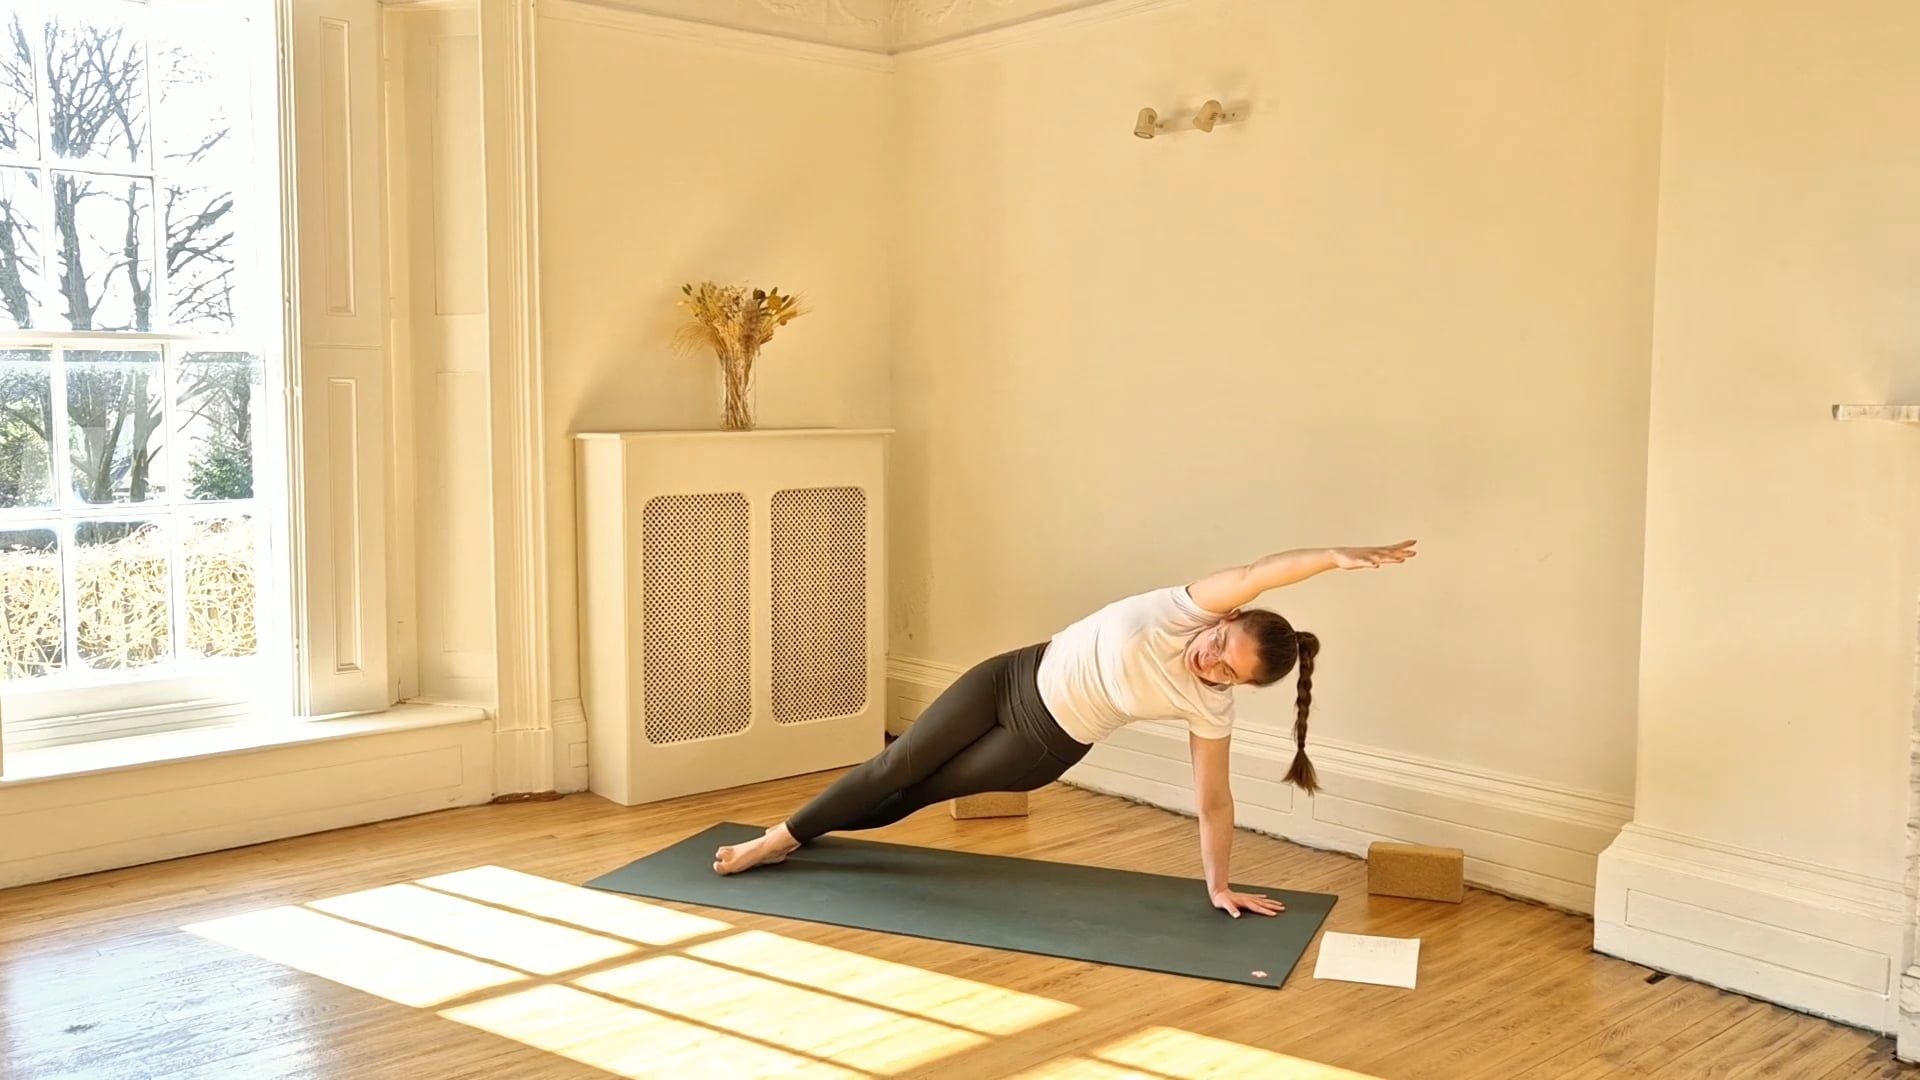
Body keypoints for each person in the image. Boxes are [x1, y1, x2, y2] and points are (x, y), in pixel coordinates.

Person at [713, 541, 1419, 916]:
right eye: (1220, 646)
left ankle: (799, 837)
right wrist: (1332, 559)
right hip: (1011, 674)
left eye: (1228, 673)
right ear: (1225, 617)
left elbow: (1214, 802)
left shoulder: (1209, 707)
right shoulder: (1187, 609)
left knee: (913, 794)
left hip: (1039, 744)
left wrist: (1219, 885)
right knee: (894, 764)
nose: (1211, 663)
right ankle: (777, 841)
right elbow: (1262, 571)